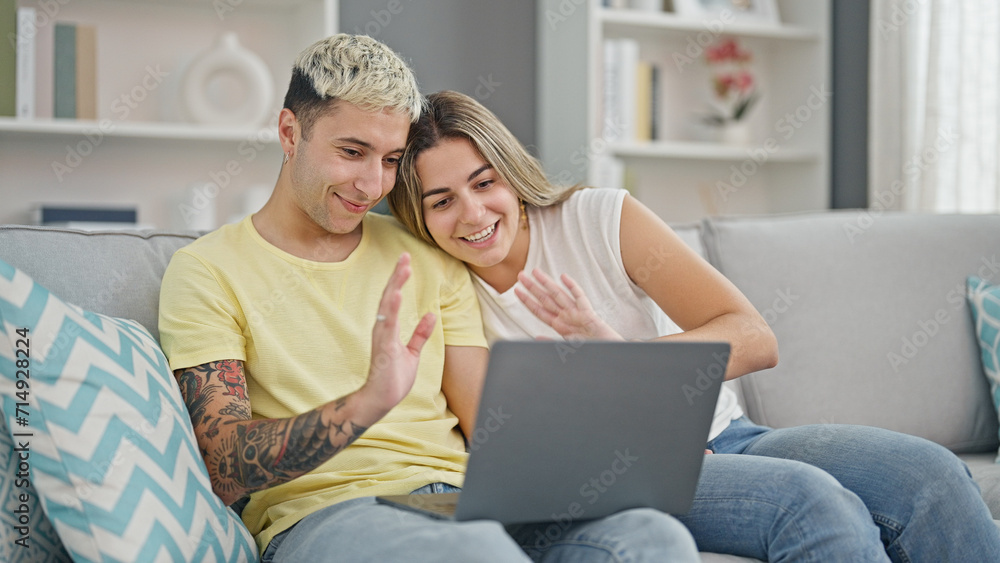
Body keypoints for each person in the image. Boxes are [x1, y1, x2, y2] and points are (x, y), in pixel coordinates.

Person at [389, 89, 1000, 562]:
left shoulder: (599, 219)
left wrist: (620, 360)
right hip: (613, 473)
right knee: (814, 503)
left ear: (511, 173)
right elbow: (504, 440)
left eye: (484, 182)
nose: (472, 214)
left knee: (931, 474)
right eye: (441, 200)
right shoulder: (443, 284)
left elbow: (754, 337)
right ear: (418, 214)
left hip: (727, 436)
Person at [158, 34, 701, 562]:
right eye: (352, 152)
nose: (372, 184)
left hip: (457, 500)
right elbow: (224, 463)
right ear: (289, 132)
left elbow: (493, 425)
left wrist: (625, 430)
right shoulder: (207, 271)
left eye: (391, 160)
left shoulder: (425, 252)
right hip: (328, 514)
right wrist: (366, 403)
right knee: (474, 551)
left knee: (651, 537)